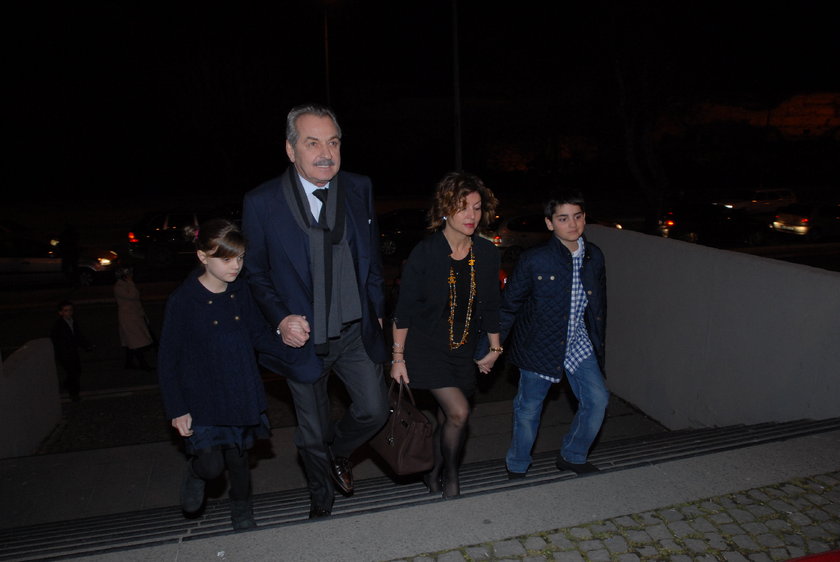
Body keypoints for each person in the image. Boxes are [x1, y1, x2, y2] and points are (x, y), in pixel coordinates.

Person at [242, 103, 389, 519]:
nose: (326, 153)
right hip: (304, 338)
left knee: (375, 411)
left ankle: (338, 452)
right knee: (311, 434)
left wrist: (378, 311)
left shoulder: (359, 188)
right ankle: (321, 503)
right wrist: (280, 319)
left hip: (356, 331)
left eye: (333, 142)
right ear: (291, 150)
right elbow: (255, 274)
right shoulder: (262, 202)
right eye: (313, 143)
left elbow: (372, 260)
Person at [157, 218, 291, 531]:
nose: (236, 266)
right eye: (227, 259)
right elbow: (167, 360)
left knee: (239, 461)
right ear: (203, 257)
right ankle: (196, 472)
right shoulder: (183, 300)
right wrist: (177, 409)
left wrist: (290, 342)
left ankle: (242, 513)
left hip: (239, 390)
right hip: (201, 397)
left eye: (240, 258)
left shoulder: (240, 291)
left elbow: (257, 333)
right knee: (212, 465)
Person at [389, 171, 503, 498]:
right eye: (462, 207)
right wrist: (398, 358)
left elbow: (491, 305)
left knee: (447, 419)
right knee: (459, 412)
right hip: (426, 348)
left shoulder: (486, 252)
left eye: (477, 208)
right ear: (445, 209)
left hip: (463, 349)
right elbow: (404, 310)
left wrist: (494, 349)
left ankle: (433, 472)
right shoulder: (426, 253)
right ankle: (451, 479)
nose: (471, 215)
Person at [500, 189, 609, 478]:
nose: (572, 224)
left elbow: (599, 308)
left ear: (584, 218)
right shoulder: (534, 259)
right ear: (550, 223)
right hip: (541, 344)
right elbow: (509, 305)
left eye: (577, 216)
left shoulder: (594, 256)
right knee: (529, 409)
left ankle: (573, 455)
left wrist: (599, 344)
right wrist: (490, 348)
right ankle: (517, 465)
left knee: (597, 399)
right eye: (563, 218)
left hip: (577, 341)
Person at [50, 300, 93, 401]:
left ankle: (67, 384)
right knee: (73, 372)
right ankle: (74, 394)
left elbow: (78, 335)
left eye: (70, 310)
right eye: (66, 311)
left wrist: (86, 345)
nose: (69, 312)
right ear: (60, 313)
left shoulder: (73, 321)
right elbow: (55, 340)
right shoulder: (58, 325)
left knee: (77, 371)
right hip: (64, 353)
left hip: (72, 351)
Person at [114, 265, 154, 371]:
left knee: (131, 342)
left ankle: (129, 363)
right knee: (135, 342)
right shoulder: (119, 286)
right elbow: (132, 296)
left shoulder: (126, 285)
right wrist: (131, 283)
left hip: (134, 316)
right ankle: (143, 364)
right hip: (128, 318)